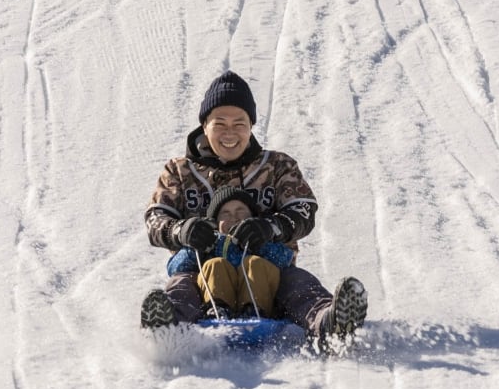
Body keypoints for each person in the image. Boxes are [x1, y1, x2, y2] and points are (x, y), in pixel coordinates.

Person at [140, 70, 368, 344]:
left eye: (240, 123)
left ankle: (330, 325)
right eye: (220, 123)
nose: (230, 133)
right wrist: (181, 230)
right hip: (201, 276)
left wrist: (270, 226)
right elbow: (156, 217)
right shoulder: (179, 171)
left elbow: (304, 209)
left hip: (269, 272)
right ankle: (167, 330)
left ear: (251, 125)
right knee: (181, 286)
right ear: (204, 126)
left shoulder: (276, 166)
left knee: (298, 284)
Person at [166, 186, 295, 319]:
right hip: (217, 302)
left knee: (255, 263)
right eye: (225, 213)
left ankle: (253, 310)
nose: (233, 217)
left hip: (261, 303)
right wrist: (195, 250)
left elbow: (285, 260)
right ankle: (217, 310)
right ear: (215, 222)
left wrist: (261, 245)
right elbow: (175, 268)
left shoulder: (261, 241)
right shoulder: (209, 244)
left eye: (241, 210)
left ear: (252, 216)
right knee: (215, 264)